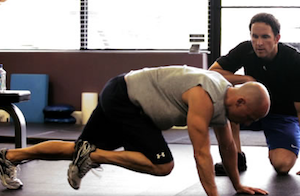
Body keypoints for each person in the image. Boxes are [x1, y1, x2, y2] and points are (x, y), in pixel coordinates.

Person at [0, 65, 270, 196]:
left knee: (77, 148)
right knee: (163, 165)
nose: (247, 124)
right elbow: (202, 154)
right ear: (241, 101)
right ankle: (92, 157)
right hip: (125, 100)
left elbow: (227, 149)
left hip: (122, 95)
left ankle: (9, 158)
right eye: (250, 117)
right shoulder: (205, 96)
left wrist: (238, 185)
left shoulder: (224, 97)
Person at [209, 13, 300, 176]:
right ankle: (236, 158)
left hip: (282, 116)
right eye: (255, 36)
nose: (259, 43)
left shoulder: (293, 60)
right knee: (228, 100)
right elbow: (212, 73)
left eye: (265, 37)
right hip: (250, 110)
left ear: (277, 38)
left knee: (283, 165)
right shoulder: (245, 49)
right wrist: (245, 78)